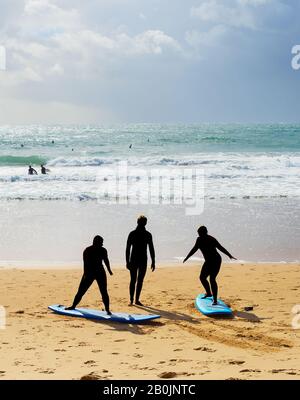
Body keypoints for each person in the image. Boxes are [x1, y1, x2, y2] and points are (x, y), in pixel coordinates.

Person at [183, 226, 236, 305]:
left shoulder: (211, 239)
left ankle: (215, 300)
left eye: (201, 233)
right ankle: (208, 293)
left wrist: (229, 255)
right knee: (202, 277)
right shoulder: (199, 239)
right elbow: (194, 249)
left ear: (205, 232)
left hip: (216, 260)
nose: (199, 235)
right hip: (208, 261)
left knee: (212, 279)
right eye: (199, 233)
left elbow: (220, 248)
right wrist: (187, 257)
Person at [66, 236, 113, 315]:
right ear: (95, 242)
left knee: (104, 291)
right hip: (89, 272)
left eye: (102, 242)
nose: (102, 244)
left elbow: (106, 260)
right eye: (101, 242)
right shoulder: (88, 250)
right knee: (81, 290)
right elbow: (85, 263)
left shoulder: (103, 250)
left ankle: (107, 310)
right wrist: (85, 274)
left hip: (100, 272)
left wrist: (109, 270)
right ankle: (73, 306)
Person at [126, 215, 155, 306]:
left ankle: (133, 299)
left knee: (134, 280)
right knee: (138, 280)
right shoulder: (147, 234)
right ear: (145, 223)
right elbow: (151, 249)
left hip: (134, 259)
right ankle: (135, 300)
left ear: (137, 222)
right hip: (141, 259)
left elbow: (127, 249)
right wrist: (153, 261)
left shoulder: (133, 233)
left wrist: (127, 261)